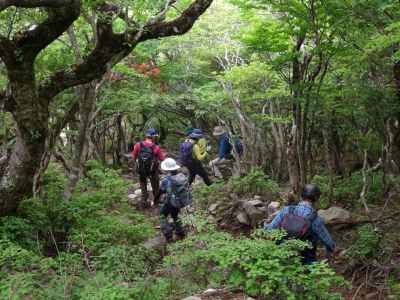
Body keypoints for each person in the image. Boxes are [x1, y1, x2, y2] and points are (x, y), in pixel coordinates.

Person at [264, 184, 336, 264]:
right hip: (306, 257)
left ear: (301, 196)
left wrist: (265, 225)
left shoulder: (287, 210)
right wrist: (332, 249)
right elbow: (327, 241)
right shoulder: (316, 219)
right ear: (316, 199)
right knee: (310, 263)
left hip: (283, 253)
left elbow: (270, 229)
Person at [159, 158, 192, 242]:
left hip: (172, 202)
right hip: (181, 201)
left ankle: (168, 234)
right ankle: (180, 232)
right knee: (175, 215)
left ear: (167, 169)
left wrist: (155, 199)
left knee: (162, 215)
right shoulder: (182, 176)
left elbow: (161, 191)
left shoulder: (166, 180)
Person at [131, 128, 165, 208]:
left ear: (146, 136)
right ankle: (156, 201)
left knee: (143, 184)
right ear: (153, 137)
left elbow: (133, 157)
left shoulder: (138, 145)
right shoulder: (156, 147)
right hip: (153, 170)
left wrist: (138, 164)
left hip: (141, 169)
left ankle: (144, 201)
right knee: (155, 185)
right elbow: (162, 159)